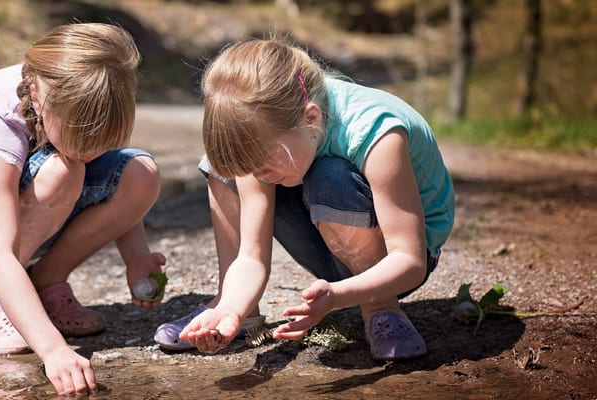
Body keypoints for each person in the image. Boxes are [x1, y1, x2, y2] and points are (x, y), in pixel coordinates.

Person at [154, 37, 455, 360]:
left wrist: (337, 297)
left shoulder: (375, 132)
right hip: (330, 247)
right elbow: (252, 257)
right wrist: (230, 309)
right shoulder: (275, 139)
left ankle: (380, 308)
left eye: (267, 166)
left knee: (330, 176)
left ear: (311, 118)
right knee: (222, 165)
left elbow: (410, 261)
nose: (261, 177)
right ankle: (234, 302)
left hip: (395, 264)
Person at [0, 23, 166, 396]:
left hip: (34, 203)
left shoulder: (78, 97)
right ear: (37, 96)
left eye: (103, 143)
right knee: (65, 169)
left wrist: (137, 256)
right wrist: (53, 350)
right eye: (84, 140)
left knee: (139, 173)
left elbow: (110, 176)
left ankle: (47, 281)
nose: (93, 152)